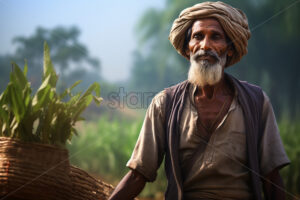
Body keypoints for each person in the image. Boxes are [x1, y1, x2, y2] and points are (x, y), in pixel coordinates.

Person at [108, 1, 290, 200]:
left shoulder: (256, 102)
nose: (205, 46)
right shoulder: (164, 103)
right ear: (188, 49)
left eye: (216, 37)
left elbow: (272, 178)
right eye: (198, 37)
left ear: (229, 49)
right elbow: (138, 175)